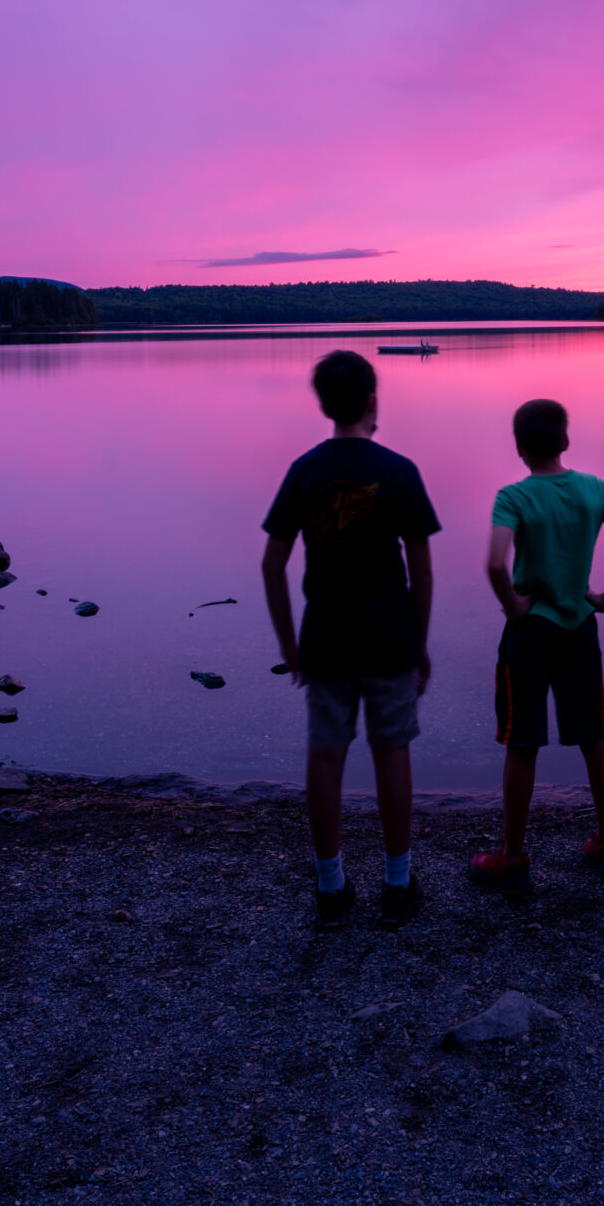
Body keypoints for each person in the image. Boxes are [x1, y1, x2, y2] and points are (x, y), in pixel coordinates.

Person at [261, 350, 439, 930]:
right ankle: (396, 883)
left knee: (326, 756)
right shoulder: (399, 469)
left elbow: (272, 563)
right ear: (372, 402)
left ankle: (331, 889)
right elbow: (422, 568)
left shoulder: (304, 470)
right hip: (389, 634)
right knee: (392, 752)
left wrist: (289, 644)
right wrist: (420, 640)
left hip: (327, 636)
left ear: (323, 405)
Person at [473, 397, 604, 896]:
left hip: (531, 631)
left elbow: (495, 564)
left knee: (522, 740)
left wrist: (514, 608)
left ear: (519, 447)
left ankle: (511, 856)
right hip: (579, 626)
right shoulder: (593, 489)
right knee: (593, 734)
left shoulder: (512, 497)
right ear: (566, 442)